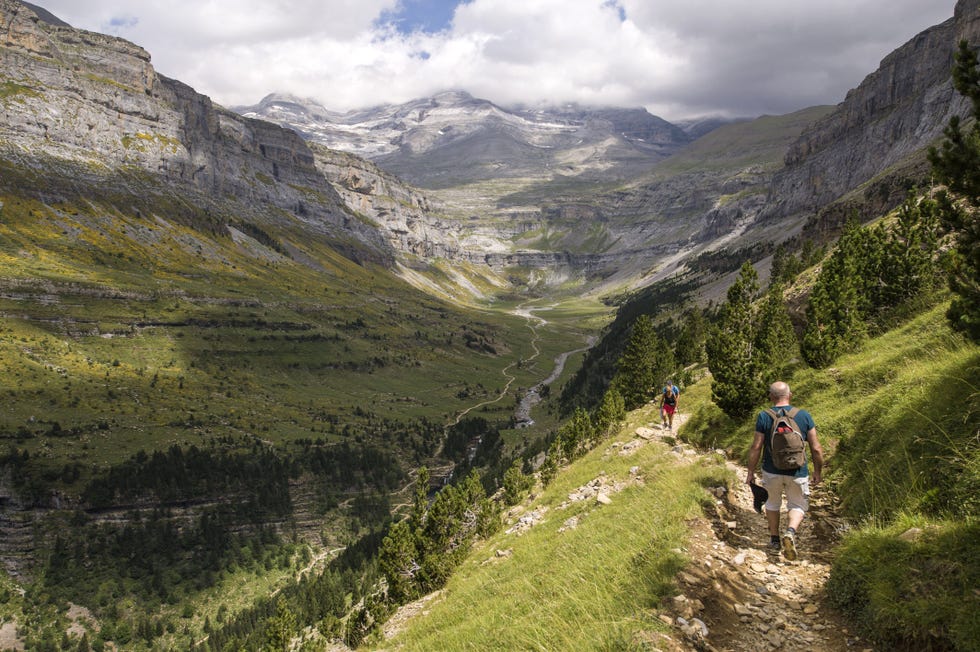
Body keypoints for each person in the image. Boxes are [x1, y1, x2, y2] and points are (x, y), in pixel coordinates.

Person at [745, 381, 824, 560]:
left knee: (772, 503)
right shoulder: (803, 416)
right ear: (790, 395)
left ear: (771, 397)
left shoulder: (764, 416)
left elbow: (756, 447)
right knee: (797, 505)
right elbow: (816, 448)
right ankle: (790, 531)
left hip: (771, 471)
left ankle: (774, 539)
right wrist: (818, 472)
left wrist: (751, 471)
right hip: (798, 471)